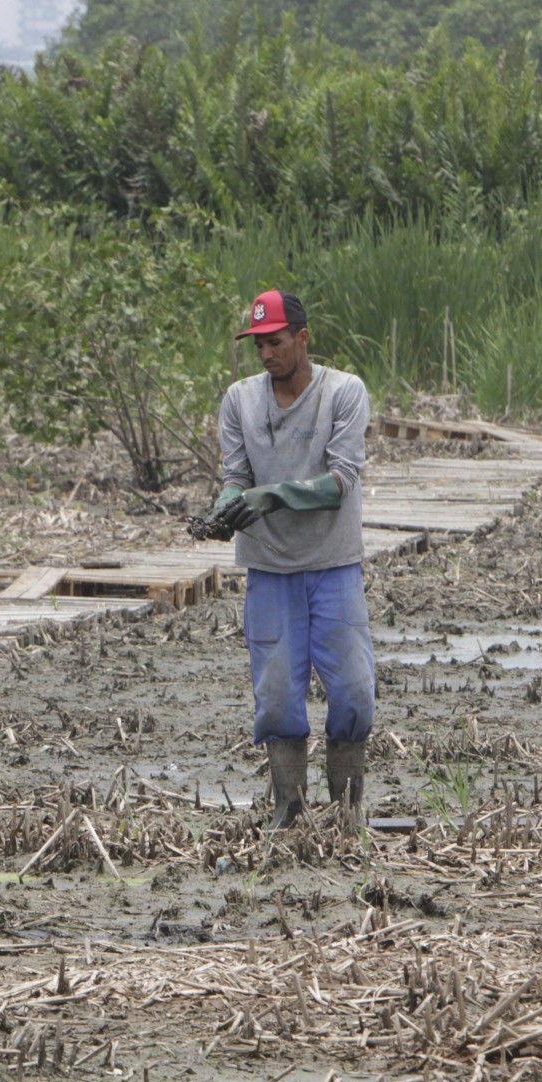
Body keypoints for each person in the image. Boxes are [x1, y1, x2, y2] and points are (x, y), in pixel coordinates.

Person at [211, 290, 375, 827]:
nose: (266, 354)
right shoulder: (239, 400)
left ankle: (347, 811)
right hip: (270, 570)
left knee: (352, 690)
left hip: (333, 564)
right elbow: (236, 474)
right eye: (258, 344)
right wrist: (227, 502)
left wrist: (273, 495)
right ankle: (289, 811)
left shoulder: (343, 393)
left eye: (275, 342)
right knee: (278, 696)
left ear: (303, 339)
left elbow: (341, 481)